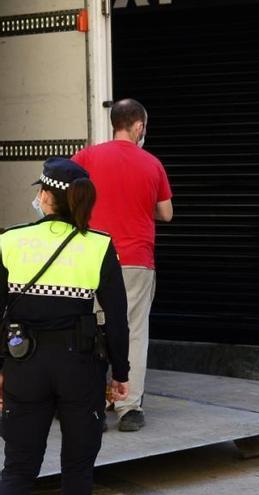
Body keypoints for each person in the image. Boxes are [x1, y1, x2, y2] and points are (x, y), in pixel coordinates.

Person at [0, 158, 130, 494]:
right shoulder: (99, 244)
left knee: (18, 468)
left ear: (45, 196)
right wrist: (121, 373)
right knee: (78, 470)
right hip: (81, 365)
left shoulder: (10, 240)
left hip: (24, 363)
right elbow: (117, 317)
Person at [72, 98, 172, 432]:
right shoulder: (152, 163)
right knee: (133, 331)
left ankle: (93, 405)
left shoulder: (86, 157)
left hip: (92, 258)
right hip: (136, 260)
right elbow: (166, 213)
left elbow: (61, 194)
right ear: (139, 126)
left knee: (93, 328)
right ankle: (129, 408)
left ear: (114, 123)